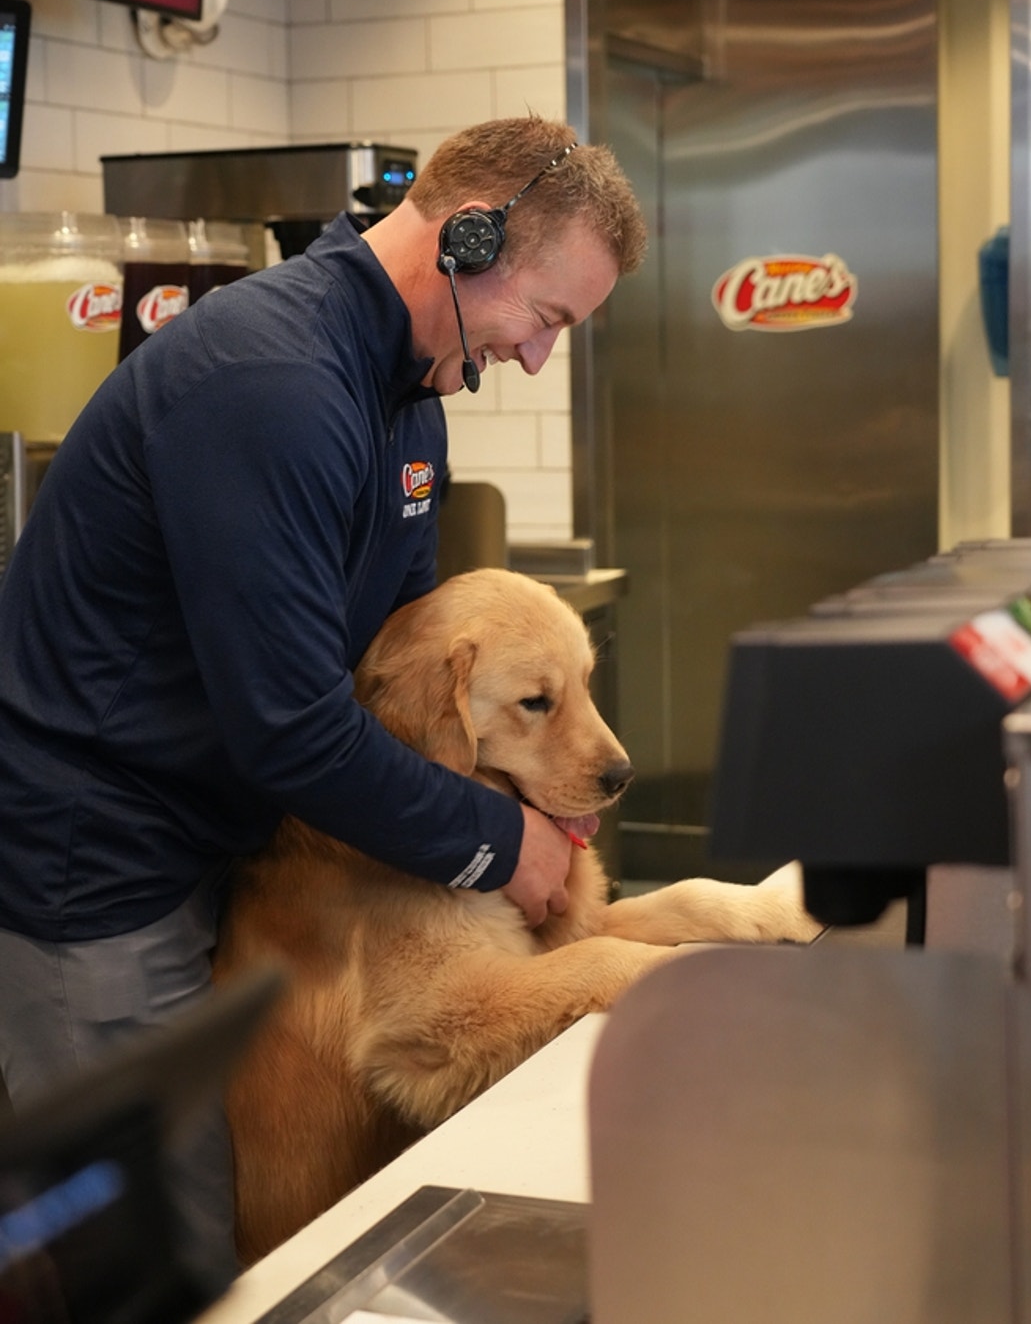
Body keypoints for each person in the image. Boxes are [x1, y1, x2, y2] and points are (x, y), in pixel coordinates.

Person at [0, 113, 646, 1288]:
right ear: (470, 238)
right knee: (166, 1260)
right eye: (545, 320)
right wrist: (501, 843)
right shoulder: (275, 383)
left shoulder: (408, 396)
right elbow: (296, 723)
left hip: (229, 841)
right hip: (99, 871)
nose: (539, 357)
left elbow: (389, 673)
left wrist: (511, 800)